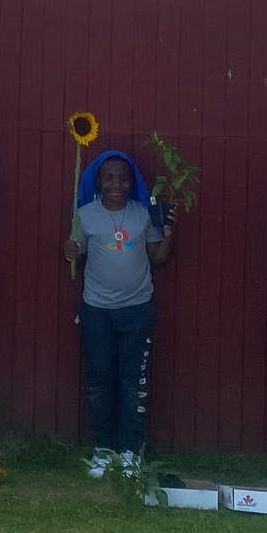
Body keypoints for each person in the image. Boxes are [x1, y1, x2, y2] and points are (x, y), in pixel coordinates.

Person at [65, 148, 173, 477]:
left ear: (132, 182)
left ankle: (130, 451)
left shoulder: (142, 214)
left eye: (124, 178)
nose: (117, 183)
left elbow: (158, 258)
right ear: (98, 181)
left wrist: (168, 235)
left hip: (137, 308)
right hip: (97, 309)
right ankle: (104, 449)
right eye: (109, 177)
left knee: (133, 382)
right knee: (99, 381)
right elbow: (77, 258)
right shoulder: (84, 215)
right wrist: (69, 252)